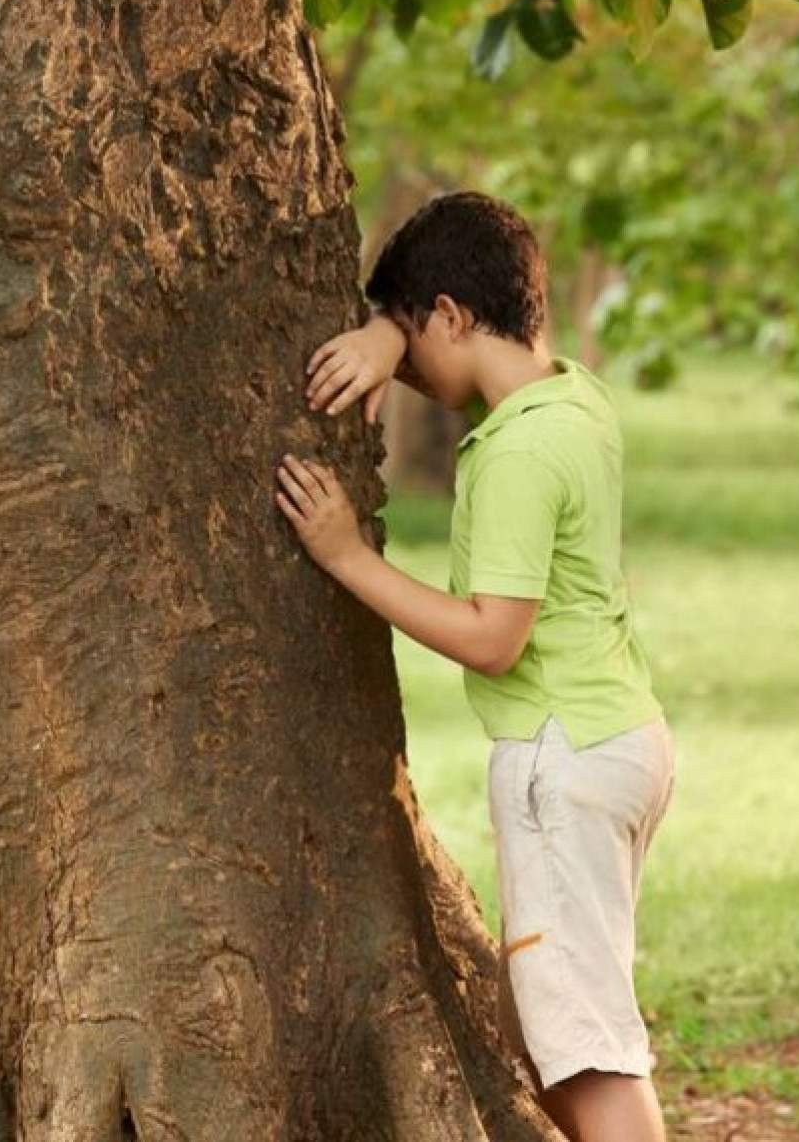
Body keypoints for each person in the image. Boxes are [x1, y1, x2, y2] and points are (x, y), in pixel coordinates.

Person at [273, 191, 672, 1142]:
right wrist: (383, 331)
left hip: (558, 757)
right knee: (546, 1024)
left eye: (415, 338)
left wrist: (346, 559)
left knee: (585, 1049)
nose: (406, 367)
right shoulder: (575, 400)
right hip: (621, 740)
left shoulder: (515, 454)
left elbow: (496, 637)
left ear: (449, 313)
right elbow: (456, 363)